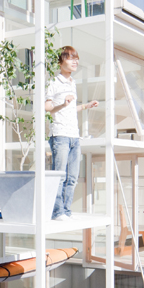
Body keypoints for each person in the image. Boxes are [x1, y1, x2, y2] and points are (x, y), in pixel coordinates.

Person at [45, 46, 99, 220]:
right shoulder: (54, 82)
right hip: (60, 135)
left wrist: (85, 106)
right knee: (59, 176)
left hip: (74, 136)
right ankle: (57, 212)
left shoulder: (72, 83)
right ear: (61, 62)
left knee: (73, 177)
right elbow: (47, 107)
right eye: (70, 58)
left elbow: (69, 109)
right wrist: (63, 103)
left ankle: (66, 211)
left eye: (76, 58)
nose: (75, 61)